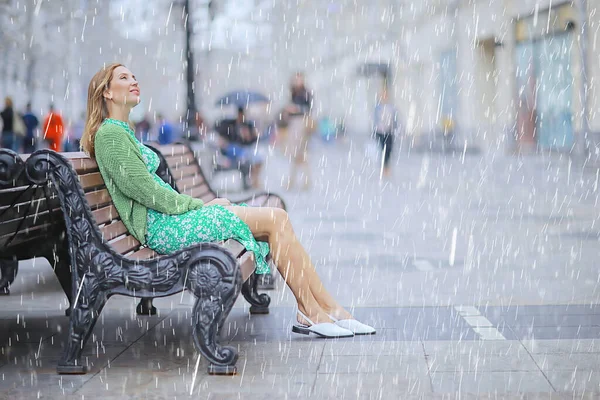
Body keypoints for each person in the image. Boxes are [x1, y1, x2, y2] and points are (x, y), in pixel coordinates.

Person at [81, 63, 375, 338]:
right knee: (274, 218)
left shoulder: (121, 133)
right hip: (161, 229)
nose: (133, 81)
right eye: (123, 78)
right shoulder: (110, 135)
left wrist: (198, 206)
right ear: (106, 92)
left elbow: (148, 189)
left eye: (133, 77)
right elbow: (145, 191)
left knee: (277, 218)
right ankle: (312, 311)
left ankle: (327, 309)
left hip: (169, 221)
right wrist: (199, 206)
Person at [215, 107, 264, 189]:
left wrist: (250, 136)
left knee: (258, 159)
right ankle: (254, 181)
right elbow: (224, 139)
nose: (241, 117)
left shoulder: (248, 125)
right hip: (235, 150)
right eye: (240, 115)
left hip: (246, 149)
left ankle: (255, 180)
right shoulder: (230, 125)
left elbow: (252, 141)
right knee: (247, 158)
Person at [283, 72, 314, 190]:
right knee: (298, 154)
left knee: (298, 153)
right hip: (295, 124)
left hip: (301, 124)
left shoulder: (305, 93)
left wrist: (295, 109)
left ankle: (296, 181)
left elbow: (308, 109)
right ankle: (299, 180)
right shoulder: (294, 92)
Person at [372, 89, 399, 177]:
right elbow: (375, 120)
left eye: (385, 96)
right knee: (383, 148)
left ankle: (386, 166)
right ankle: (385, 167)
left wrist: (395, 128)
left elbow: (395, 119)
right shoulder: (378, 107)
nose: (384, 98)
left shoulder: (391, 107)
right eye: (382, 96)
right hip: (380, 131)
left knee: (388, 149)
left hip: (389, 131)